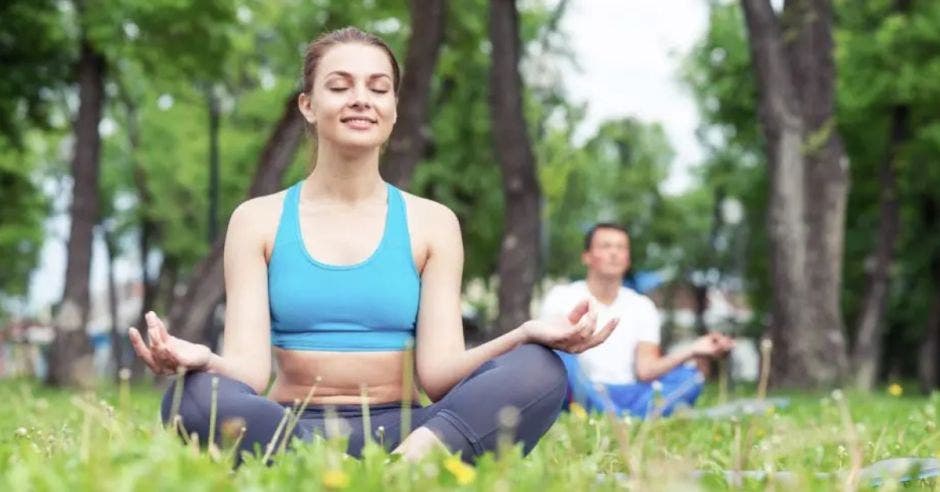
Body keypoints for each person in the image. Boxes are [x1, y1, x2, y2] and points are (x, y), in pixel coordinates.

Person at [128, 27, 617, 464]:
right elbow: (250, 374)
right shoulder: (257, 220)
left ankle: (398, 468)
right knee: (191, 395)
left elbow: (441, 374)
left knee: (542, 368)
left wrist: (526, 332)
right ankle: (336, 468)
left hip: (409, 431)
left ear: (393, 109)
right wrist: (202, 360)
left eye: (378, 88)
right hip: (289, 428)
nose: (361, 99)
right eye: (339, 87)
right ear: (308, 105)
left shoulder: (433, 223)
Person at [540, 223, 733, 418]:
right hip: (581, 388)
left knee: (690, 377)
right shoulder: (561, 296)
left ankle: (617, 415)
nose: (614, 253)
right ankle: (623, 416)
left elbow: (646, 370)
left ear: (627, 259)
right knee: (560, 357)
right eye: (606, 246)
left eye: (621, 247)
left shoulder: (642, 306)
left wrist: (693, 349)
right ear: (587, 256)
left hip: (630, 393)